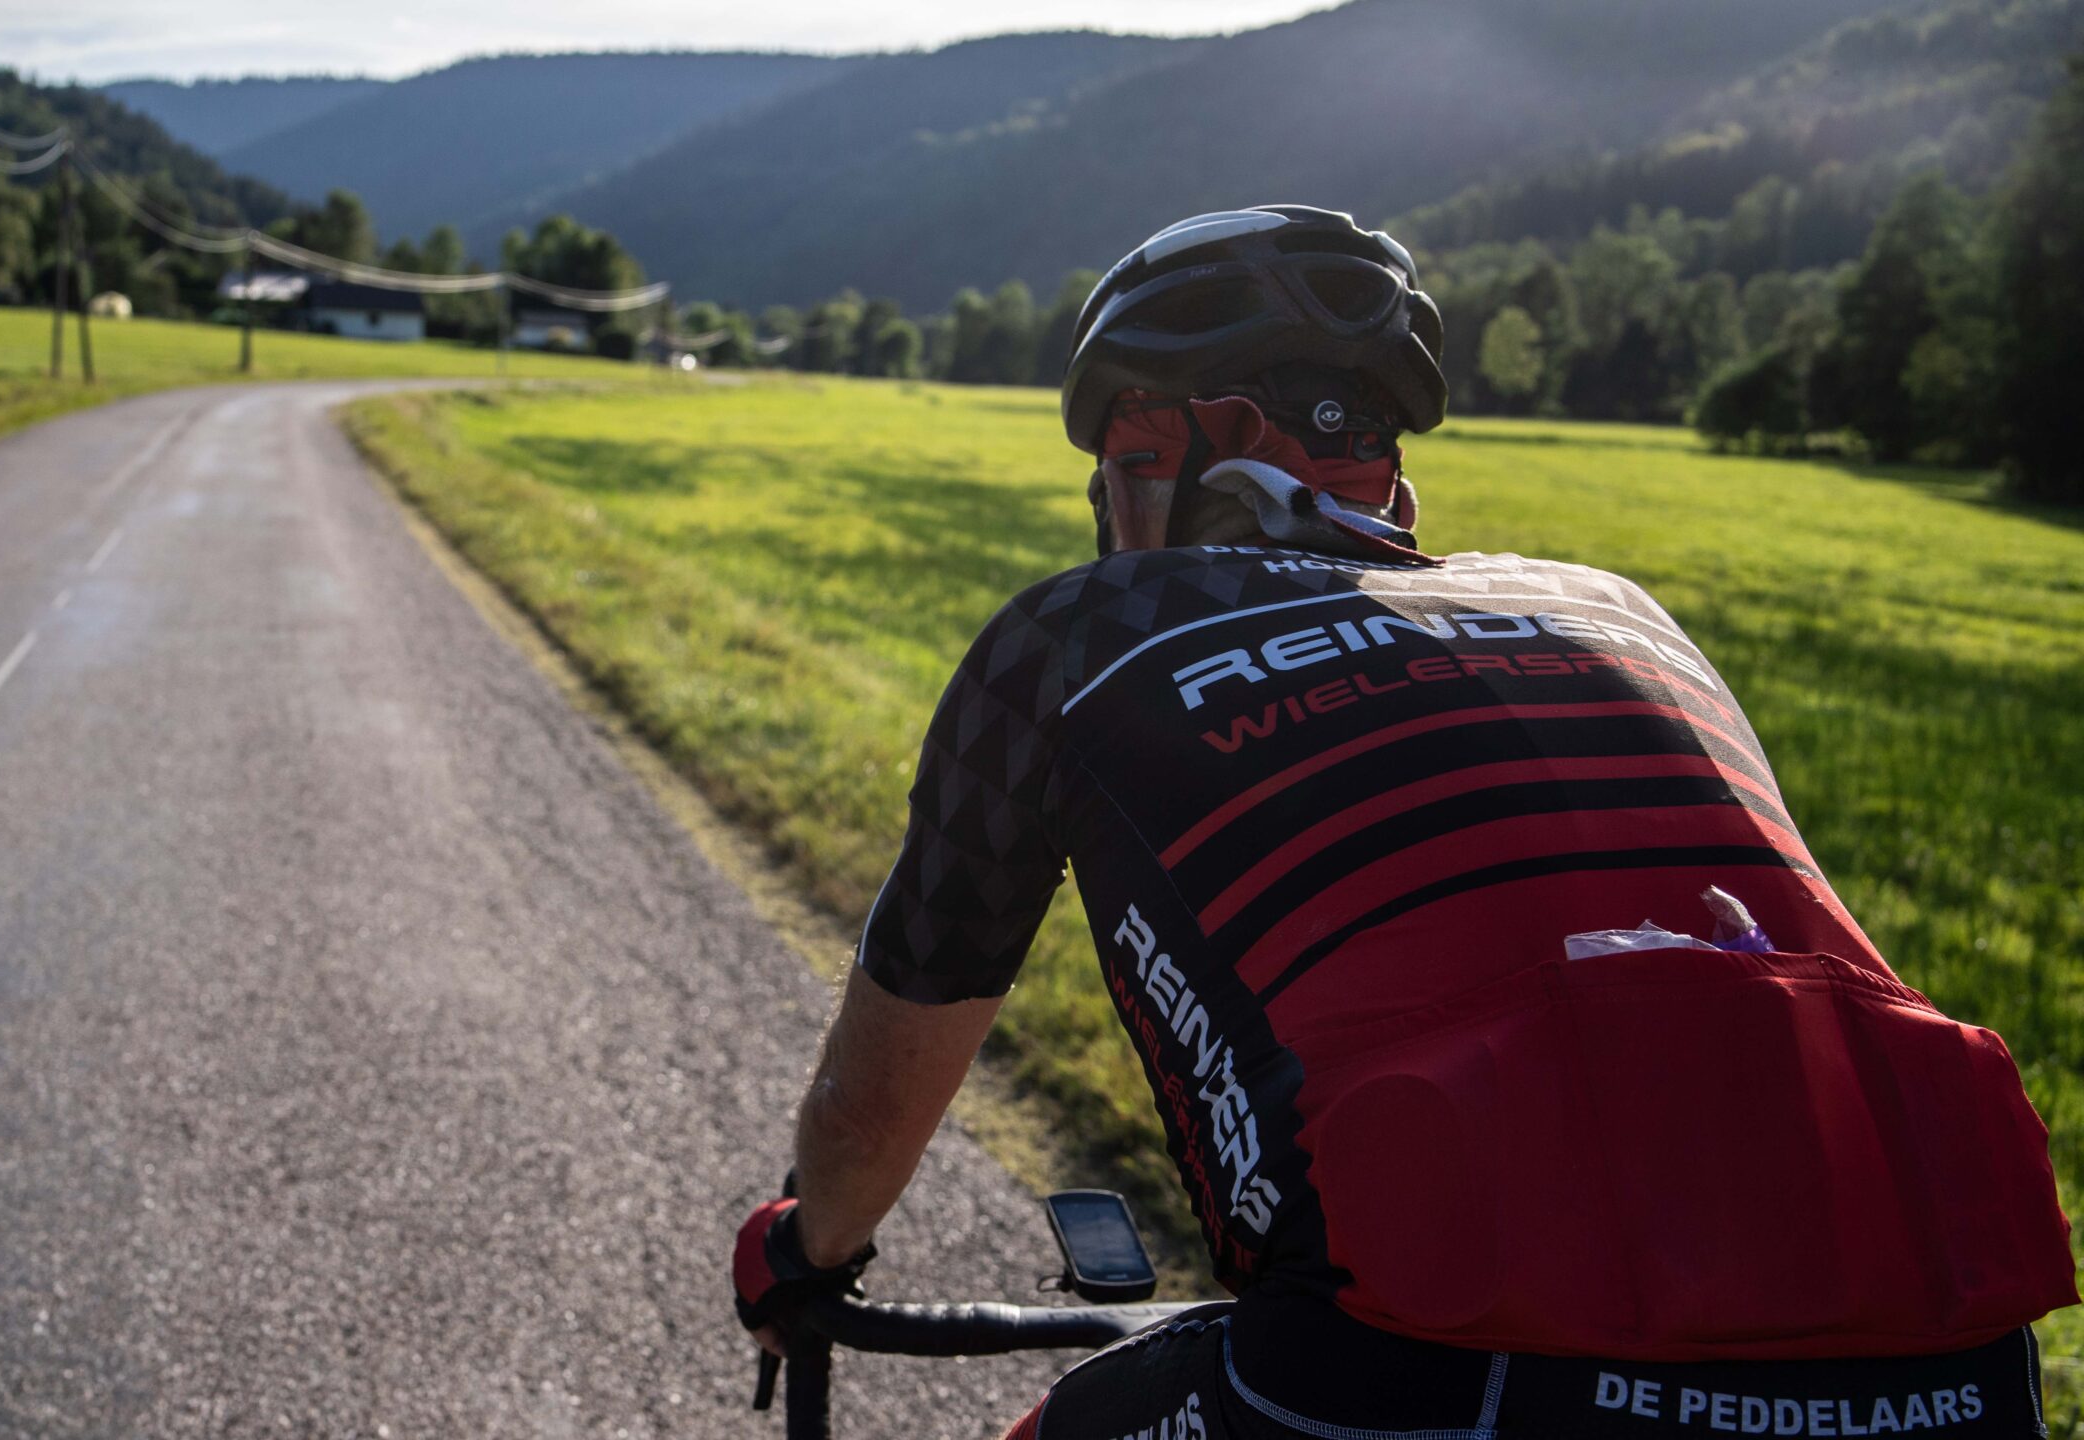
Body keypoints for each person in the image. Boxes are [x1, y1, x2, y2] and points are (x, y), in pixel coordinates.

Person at [733, 207, 2076, 1438]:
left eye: (1126, 456)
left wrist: (808, 1248)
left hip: (1447, 1372)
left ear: (1236, 440)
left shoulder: (1078, 637)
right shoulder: (1622, 612)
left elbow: (878, 1090)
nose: (1110, 512)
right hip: (1956, 1367)